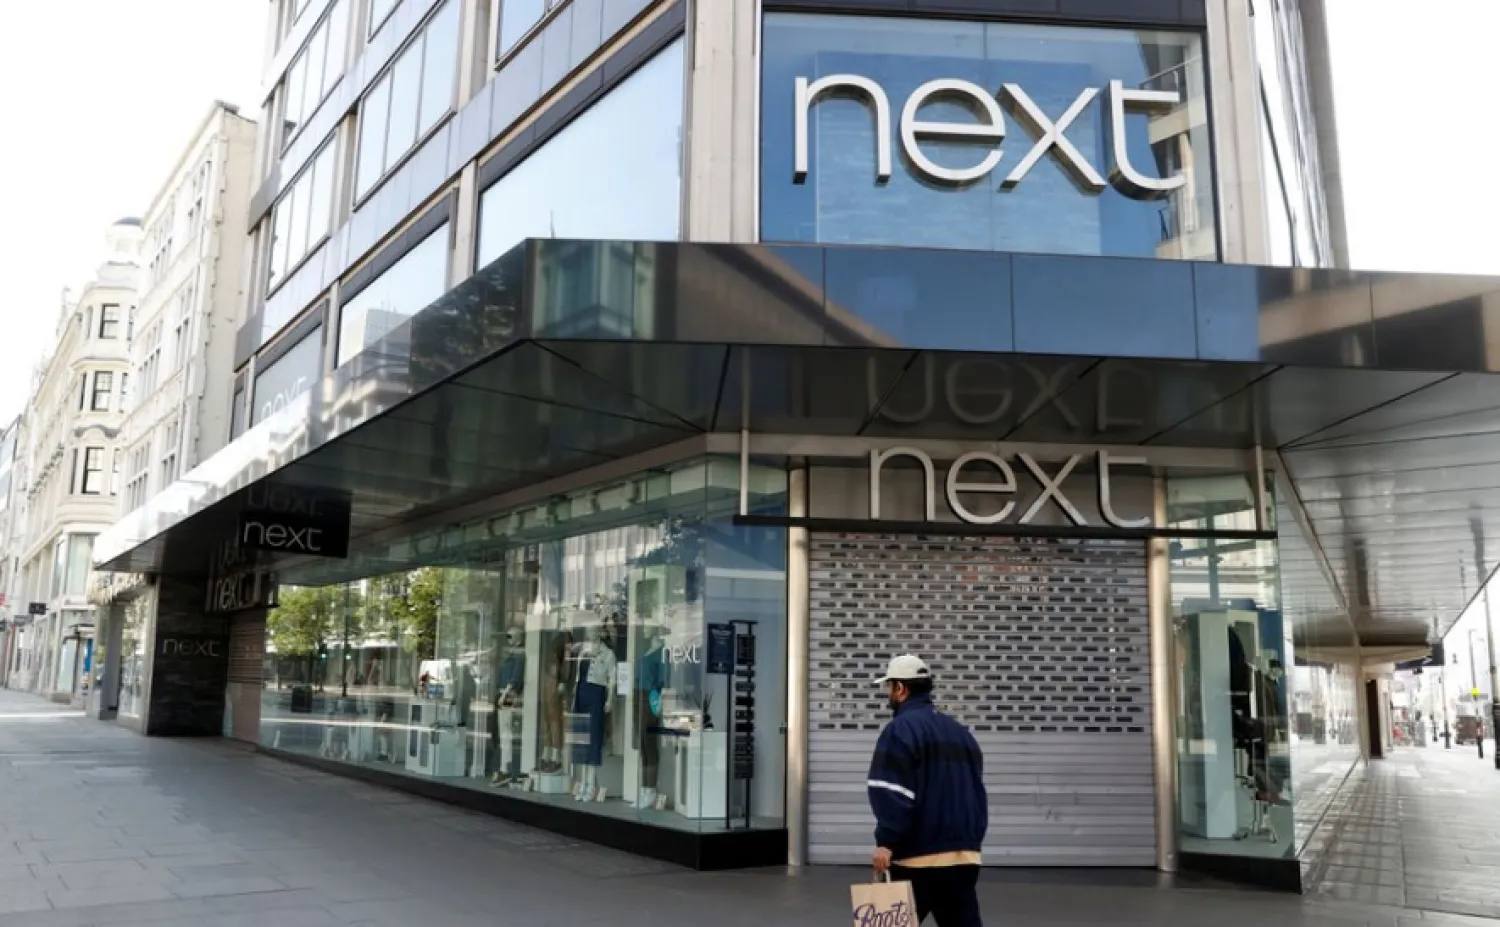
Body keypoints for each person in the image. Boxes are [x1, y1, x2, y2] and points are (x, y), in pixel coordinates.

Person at [868, 655, 986, 927]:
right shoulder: (961, 733)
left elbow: (891, 790)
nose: (888, 694)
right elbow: (975, 793)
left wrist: (886, 842)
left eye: (889, 687)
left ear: (900, 688)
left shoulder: (900, 730)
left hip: (918, 857)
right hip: (963, 857)